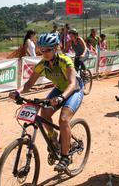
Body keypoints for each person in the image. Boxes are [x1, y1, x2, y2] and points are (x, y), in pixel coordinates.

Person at [9, 33, 84, 172]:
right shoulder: (42, 65)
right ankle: (54, 139)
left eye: (48, 50)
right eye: (41, 50)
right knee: (44, 114)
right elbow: (29, 83)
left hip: (74, 90)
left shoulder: (64, 60)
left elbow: (73, 83)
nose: (44, 53)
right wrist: (18, 92)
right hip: (60, 89)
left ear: (56, 48)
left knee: (63, 119)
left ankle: (65, 157)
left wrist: (61, 98)